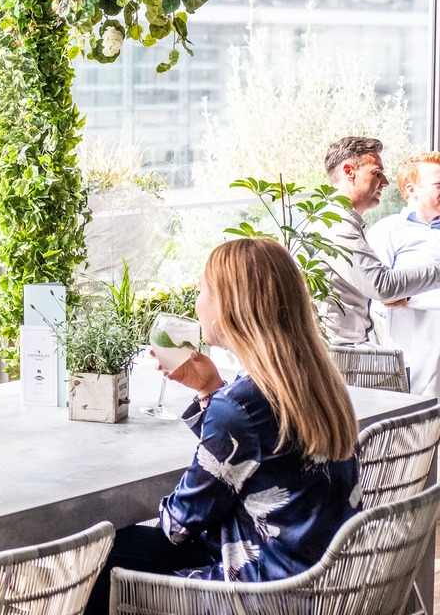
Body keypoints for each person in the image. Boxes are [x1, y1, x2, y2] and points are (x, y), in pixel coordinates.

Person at [85, 238, 361, 614]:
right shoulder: (317, 382)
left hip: (263, 594)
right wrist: (209, 390)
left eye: (202, 290)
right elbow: (257, 458)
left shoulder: (242, 404)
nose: (196, 302)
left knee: (108, 554)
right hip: (324, 580)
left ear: (226, 308)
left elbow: (179, 525)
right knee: (128, 547)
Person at [317, 137, 440, 345]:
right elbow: (382, 286)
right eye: (376, 173)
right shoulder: (336, 225)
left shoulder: (345, 223)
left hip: (350, 347)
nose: (385, 182)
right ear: (349, 172)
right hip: (338, 351)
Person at [367, 151, 440, 396]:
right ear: (411, 189)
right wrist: (409, 299)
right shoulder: (387, 231)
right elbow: (381, 297)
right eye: (438, 184)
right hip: (411, 350)